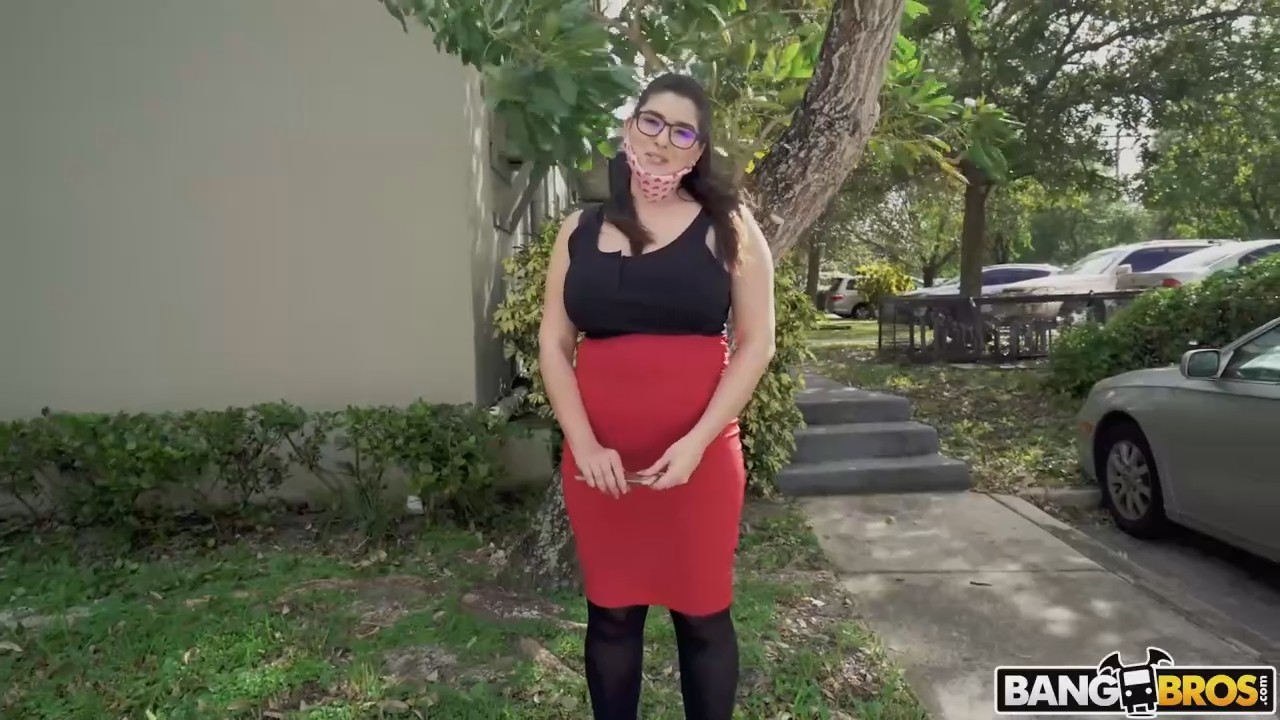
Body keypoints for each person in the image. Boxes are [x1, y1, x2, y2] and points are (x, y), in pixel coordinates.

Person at [537, 72, 777, 720]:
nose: (663, 139)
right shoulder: (578, 229)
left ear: (698, 150)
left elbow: (756, 343)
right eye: (652, 121)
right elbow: (554, 344)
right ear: (629, 127)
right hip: (599, 465)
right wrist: (584, 445)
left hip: (699, 462)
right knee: (612, 615)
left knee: (702, 616)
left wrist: (697, 443)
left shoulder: (728, 226)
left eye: (682, 132)